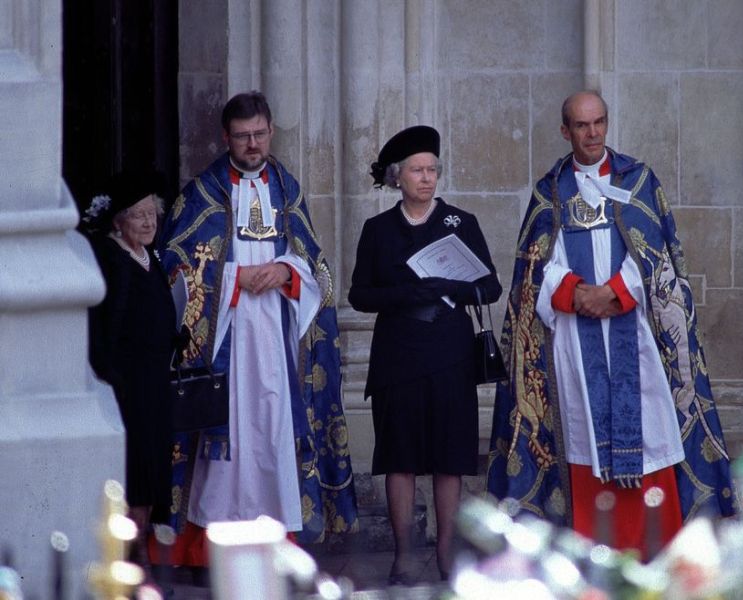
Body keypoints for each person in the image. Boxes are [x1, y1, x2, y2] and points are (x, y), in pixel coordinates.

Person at [486, 90, 735, 557]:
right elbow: (535, 269)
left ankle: (654, 552)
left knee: (651, 431)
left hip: (635, 336)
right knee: (582, 438)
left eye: (599, 122)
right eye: (581, 125)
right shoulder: (549, 192)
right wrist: (577, 294)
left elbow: (659, 259)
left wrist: (616, 294)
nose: (593, 132)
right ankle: (594, 555)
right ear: (566, 131)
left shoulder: (638, 181)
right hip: (573, 345)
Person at [156, 91, 357, 565]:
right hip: (224, 342)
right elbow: (177, 267)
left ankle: (276, 548)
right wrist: (234, 278)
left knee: (272, 438)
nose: (253, 144)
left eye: (260, 134)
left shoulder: (287, 190)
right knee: (224, 450)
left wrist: (288, 273)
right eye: (243, 136)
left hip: (277, 343)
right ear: (226, 137)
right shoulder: (201, 195)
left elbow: (316, 265)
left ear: (270, 132)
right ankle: (208, 553)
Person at [349, 125, 501, 583]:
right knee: (400, 457)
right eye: (417, 170)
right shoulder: (378, 229)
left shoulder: (460, 223)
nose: (427, 178)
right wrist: (406, 293)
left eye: (432, 169)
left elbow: (490, 286)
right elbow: (359, 294)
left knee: (449, 459)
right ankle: (403, 555)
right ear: (397, 177)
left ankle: (447, 553)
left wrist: (452, 286)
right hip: (399, 355)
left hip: (451, 354)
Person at [83, 169, 178, 567]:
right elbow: (106, 326)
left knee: (153, 469)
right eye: (138, 215)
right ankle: (130, 559)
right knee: (135, 472)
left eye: (151, 214)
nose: (147, 221)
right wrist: (112, 374)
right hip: (129, 384)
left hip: (155, 380)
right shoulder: (113, 258)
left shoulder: (148, 256)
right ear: (119, 221)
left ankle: (140, 555)